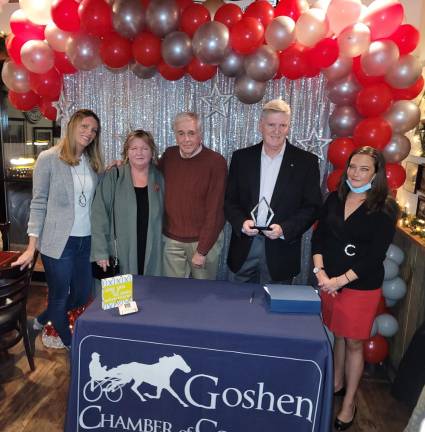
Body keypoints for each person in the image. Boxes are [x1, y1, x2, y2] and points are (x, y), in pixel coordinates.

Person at [312, 146, 399, 431]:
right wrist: (321, 272)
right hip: (329, 282)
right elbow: (319, 237)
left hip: (359, 286)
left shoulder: (385, 206)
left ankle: (349, 402)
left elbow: (374, 255)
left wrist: (338, 280)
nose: (356, 173)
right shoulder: (335, 198)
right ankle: (336, 383)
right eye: (352, 167)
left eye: (364, 169)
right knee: (337, 332)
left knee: (354, 342)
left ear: (376, 174)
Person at [13, 109, 104, 349]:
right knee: (60, 296)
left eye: (93, 130)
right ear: (72, 126)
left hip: (86, 241)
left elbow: (92, 195)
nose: (89, 133)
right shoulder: (49, 158)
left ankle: (43, 318)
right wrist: (32, 247)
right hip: (58, 242)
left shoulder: (92, 162)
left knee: (82, 294)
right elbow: (38, 202)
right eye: (84, 126)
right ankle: (72, 345)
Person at [224, 99, 322, 284]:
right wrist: (241, 222)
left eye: (282, 125)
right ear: (261, 125)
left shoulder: (306, 162)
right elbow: (230, 200)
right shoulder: (241, 158)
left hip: (281, 249)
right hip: (245, 246)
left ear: (288, 127)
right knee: (236, 306)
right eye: (271, 125)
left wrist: (285, 229)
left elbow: (312, 207)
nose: (277, 131)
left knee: (275, 309)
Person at [159, 112, 227, 280]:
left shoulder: (216, 162)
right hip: (171, 240)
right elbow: (148, 174)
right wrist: (123, 165)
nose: (186, 139)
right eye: (181, 134)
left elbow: (216, 210)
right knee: (173, 292)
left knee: (202, 294)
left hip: (203, 242)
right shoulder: (169, 155)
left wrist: (202, 250)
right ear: (175, 135)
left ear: (200, 134)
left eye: (191, 133)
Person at [91, 130, 164, 276]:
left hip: (153, 250)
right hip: (120, 251)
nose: (139, 153)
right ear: (127, 152)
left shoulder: (160, 178)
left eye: (145, 148)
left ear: (152, 152)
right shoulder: (114, 176)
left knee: (150, 294)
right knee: (122, 297)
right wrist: (100, 251)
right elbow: (98, 216)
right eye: (134, 148)